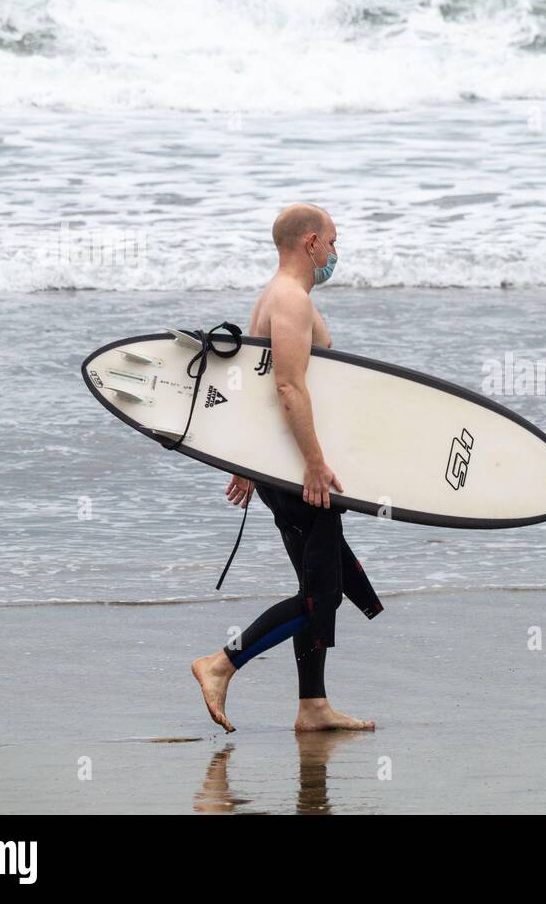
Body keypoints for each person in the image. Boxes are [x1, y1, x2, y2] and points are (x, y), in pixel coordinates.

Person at [191, 203, 376, 733]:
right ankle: (221, 663)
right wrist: (316, 467)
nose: (337, 254)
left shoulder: (277, 298)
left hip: (279, 465)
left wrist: (247, 460)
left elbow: (252, 386)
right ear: (311, 242)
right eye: (334, 243)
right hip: (299, 471)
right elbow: (288, 387)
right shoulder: (290, 301)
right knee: (324, 592)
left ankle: (313, 706)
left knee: (319, 582)